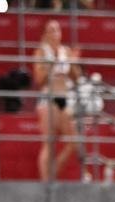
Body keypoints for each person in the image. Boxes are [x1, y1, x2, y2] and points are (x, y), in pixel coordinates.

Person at [33, 20, 80, 181]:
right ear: (45, 34)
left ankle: (54, 171)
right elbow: (39, 80)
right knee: (49, 143)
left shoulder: (65, 51)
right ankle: (46, 181)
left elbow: (76, 77)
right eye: (51, 30)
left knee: (74, 140)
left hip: (66, 97)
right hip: (49, 98)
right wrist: (50, 63)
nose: (55, 33)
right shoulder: (41, 52)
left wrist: (74, 62)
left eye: (57, 29)